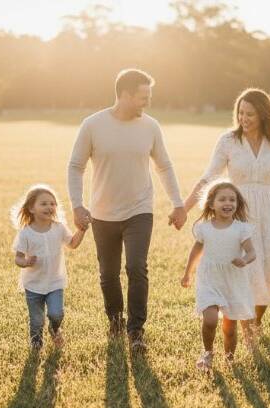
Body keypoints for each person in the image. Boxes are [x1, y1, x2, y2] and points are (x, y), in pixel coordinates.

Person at [67, 68, 186, 351]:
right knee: (108, 274)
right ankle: (115, 322)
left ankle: (136, 332)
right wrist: (77, 205)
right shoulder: (93, 125)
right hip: (102, 212)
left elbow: (164, 166)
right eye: (143, 97)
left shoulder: (150, 126)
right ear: (124, 95)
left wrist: (178, 203)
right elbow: (75, 166)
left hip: (139, 210)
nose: (147, 102)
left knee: (136, 267)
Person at [184, 88, 270, 331]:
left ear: (263, 115)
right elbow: (208, 178)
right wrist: (184, 208)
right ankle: (244, 325)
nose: (244, 118)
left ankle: (255, 323)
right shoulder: (228, 141)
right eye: (241, 113)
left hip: (269, 214)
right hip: (239, 213)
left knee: (269, 271)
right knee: (246, 271)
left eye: (250, 114)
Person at [181, 182, 257, 372]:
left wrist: (244, 260)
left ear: (237, 204)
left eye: (232, 199)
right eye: (222, 199)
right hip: (210, 279)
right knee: (210, 320)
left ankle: (230, 359)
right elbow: (196, 252)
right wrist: (187, 273)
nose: (227, 203)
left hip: (233, 280)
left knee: (230, 329)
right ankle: (207, 353)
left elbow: (252, 252)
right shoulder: (204, 228)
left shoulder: (241, 229)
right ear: (211, 203)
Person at [12, 184, 87, 351]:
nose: (50, 207)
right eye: (44, 203)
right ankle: (36, 344)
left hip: (55, 282)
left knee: (56, 313)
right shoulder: (26, 233)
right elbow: (18, 258)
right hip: (33, 285)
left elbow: (73, 244)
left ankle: (54, 329)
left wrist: (81, 230)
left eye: (52, 203)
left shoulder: (58, 228)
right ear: (31, 208)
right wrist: (25, 262)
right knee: (36, 319)